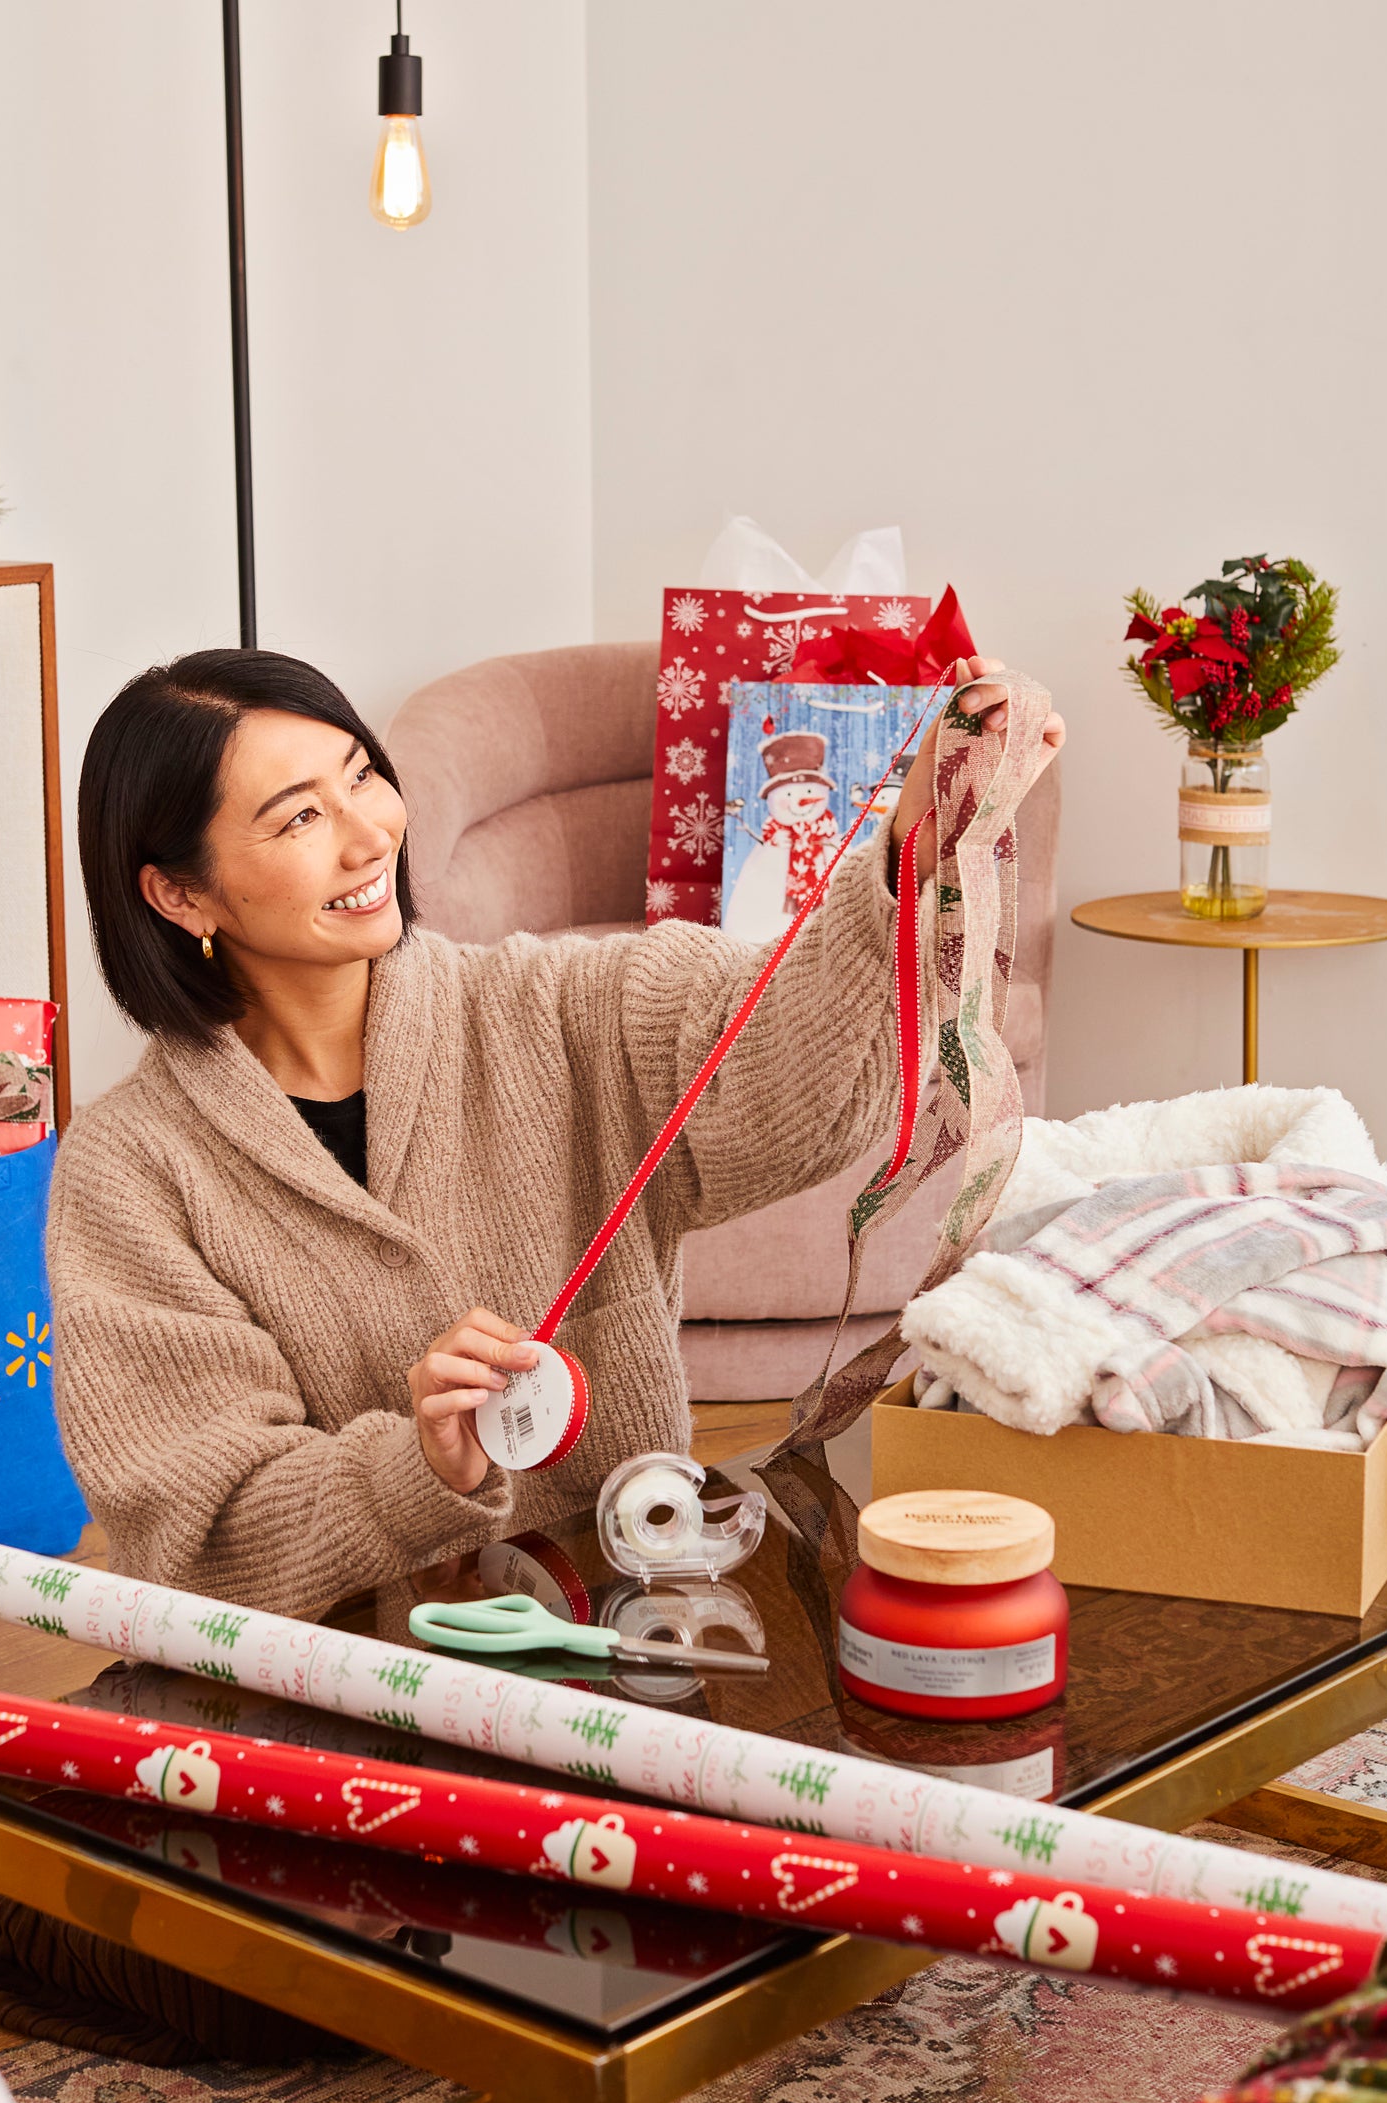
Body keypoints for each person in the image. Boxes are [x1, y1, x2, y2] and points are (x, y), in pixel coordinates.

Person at [51, 648, 1061, 1613]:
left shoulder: (556, 1001)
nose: (367, 835)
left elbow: (792, 1089)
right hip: (335, 1705)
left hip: (632, 1634)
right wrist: (417, 1464)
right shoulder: (127, 1171)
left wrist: (904, 849)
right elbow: (200, 1535)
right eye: (300, 816)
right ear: (178, 892)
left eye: (362, 777)